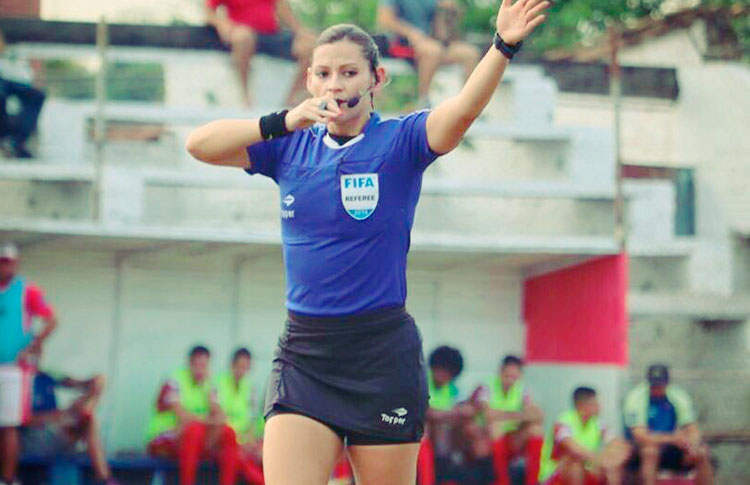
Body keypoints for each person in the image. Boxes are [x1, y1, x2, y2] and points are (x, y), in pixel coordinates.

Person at [185, 2, 549, 483]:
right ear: (311, 81)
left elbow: (461, 113)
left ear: (376, 79)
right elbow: (199, 144)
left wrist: (501, 46)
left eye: (349, 72)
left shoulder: (401, 142)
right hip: (305, 355)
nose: (336, 83)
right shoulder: (290, 147)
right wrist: (282, 122)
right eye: (324, 73)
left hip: (381, 357)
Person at [0, 242, 57, 485]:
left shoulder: (27, 290)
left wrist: (33, 345)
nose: (5, 266)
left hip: (13, 368)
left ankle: (8, 479)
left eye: (9, 261)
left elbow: (51, 320)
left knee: (8, 425)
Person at [146, 345, 239, 485]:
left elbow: (220, 416)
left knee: (228, 433)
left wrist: (210, 398)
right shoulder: (174, 380)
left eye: (204, 365)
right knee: (194, 430)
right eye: (198, 365)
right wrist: (210, 421)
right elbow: (182, 416)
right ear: (189, 363)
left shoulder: (209, 383)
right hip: (165, 437)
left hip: (190, 440)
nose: (201, 370)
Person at [205, 0, 315, 107]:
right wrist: (223, 25)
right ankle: (244, 97)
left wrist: (300, 31)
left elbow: (282, 7)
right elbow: (209, 13)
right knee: (243, 37)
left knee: (310, 46)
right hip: (243, 33)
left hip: (272, 35)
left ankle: (291, 99)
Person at [20, 371, 119, 485]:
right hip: (32, 440)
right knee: (86, 416)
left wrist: (95, 385)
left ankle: (105, 479)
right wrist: (61, 414)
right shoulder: (19, 378)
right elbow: (22, 420)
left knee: (87, 415)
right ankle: (105, 479)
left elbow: (76, 383)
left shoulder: (46, 375)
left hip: (56, 436)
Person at [377, 0, 481, 108]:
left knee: (470, 53)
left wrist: (451, 8)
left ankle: (468, 104)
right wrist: (411, 33)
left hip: (434, 43)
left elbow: (450, 23)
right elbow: (385, 20)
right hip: (402, 44)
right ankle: (423, 102)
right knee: (432, 51)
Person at [622, 364, 714, 485]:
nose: (657, 389)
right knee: (650, 452)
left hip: (672, 446)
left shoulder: (678, 395)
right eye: (654, 385)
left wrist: (692, 444)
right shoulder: (636, 397)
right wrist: (673, 438)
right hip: (643, 447)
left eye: (660, 385)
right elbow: (641, 436)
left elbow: (692, 427)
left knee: (701, 452)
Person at [475, 355, 544, 485]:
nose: (510, 380)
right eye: (507, 376)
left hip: (512, 436)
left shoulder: (522, 390)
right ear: (500, 372)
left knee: (536, 430)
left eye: (514, 377)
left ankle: (532, 481)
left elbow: (536, 415)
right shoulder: (487, 386)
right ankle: (502, 481)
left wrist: (506, 415)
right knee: (495, 427)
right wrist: (518, 415)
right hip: (489, 437)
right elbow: (487, 414)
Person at [539, 387, 629, 485]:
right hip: (555, 474)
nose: (600, 407)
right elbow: (574, 449)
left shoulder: (597, 423)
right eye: (596, 403)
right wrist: (601, 460)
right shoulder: (563, 423)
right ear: (583, 406)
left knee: (613, 464)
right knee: (575, 464)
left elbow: (617, 443)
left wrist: (613, 458)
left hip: (586, 469)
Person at [215, 348, 265, 485]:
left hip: (243, 442)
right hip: (224, 441)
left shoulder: (250, 388)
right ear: (232, 365)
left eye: (246, 367)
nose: (243, 371)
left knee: (262, 456)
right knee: (240, 459)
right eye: (240, 366)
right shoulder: (218, 384)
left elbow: (252, 421)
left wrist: (249, 442)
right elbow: (218, 418)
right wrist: (241, 444)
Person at [0, 30, 46, 159]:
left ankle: (16, 142)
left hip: (10, 82)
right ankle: (5, 138)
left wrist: (37, 75)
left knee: (37, 96)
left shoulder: (14, 56)